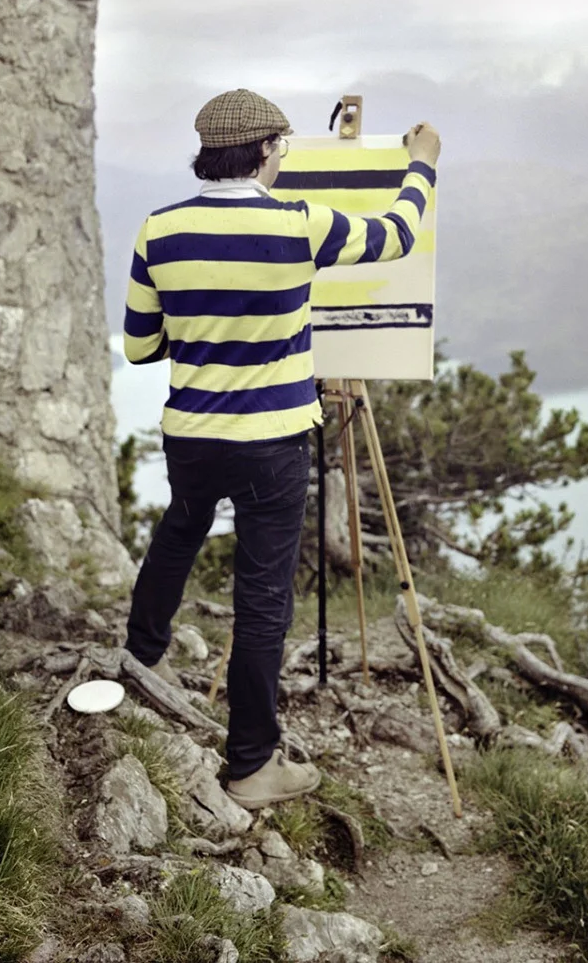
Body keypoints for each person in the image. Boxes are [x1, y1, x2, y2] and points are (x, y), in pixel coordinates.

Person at [122, 87, 440, 808]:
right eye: (282, 147)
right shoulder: (300, 224)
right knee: (263, 598)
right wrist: (421, 161)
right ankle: (250, 765)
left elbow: (140, 346)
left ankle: (140, 658)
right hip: (274, 441)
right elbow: (396, 234)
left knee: (180, 531)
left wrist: (206, 331)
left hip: (192, 432)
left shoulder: (159, 229)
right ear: (266, 150)